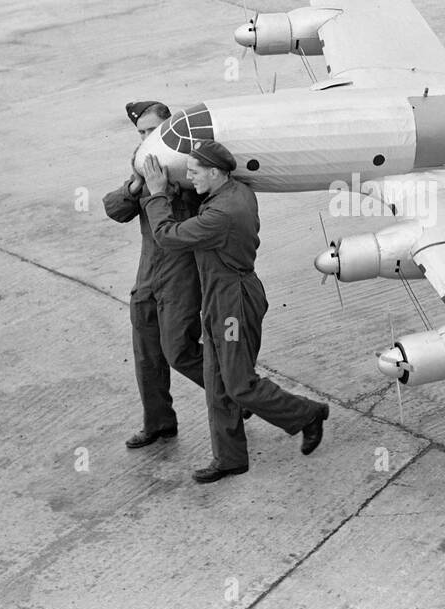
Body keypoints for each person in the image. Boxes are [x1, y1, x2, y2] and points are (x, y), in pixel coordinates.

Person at [141, 141, 329, 483]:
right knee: (216, 383)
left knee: (239, 384)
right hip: (221, 298)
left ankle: (308, 413)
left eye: (194, 172)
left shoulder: (220, 215)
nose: (189, 177)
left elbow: (167, 236)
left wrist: (157, 194)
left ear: (215, 172)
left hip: (233, 306)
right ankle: (229, 459)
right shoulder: (235, 191)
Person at [103, 101, 205, 448]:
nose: (147, 138)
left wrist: (169, 189)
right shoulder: (144, 164)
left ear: (171, 127)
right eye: (142, 133)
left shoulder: (192, 162)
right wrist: (135, 187)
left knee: (180, 351)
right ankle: (159, 423)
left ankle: (238, 394)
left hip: (183, 274)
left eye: (153, 130)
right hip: (148, 274)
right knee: (147, 356)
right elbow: (114, 209)